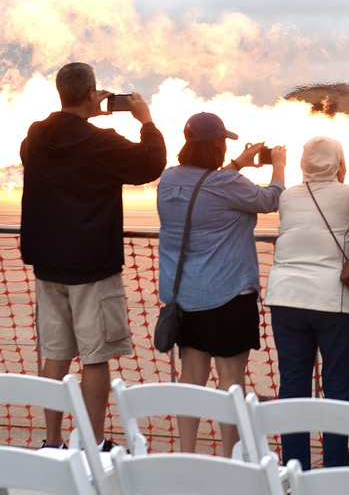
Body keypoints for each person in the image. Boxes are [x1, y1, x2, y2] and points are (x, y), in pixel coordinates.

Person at [19, 62, 167, 451]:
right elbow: (150, 163)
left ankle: (51, 443)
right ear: (92, 94)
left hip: (47, 262)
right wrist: (146, 120)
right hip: (92, 264)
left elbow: (51, 148)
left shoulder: (34, 136)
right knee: (95, 357)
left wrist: (85, 114)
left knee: (54, 355)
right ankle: (92, 442)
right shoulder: (102, 142)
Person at [156, 112, 285, 457]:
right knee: (231, 381)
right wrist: (279, 166)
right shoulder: (227, 184)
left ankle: (187, 453)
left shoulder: (167, 180)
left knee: (192, 379)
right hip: (229, 296)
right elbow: (271, 199)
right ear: (216, 144)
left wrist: (238, 163)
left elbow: (206, 187)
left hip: (185, 296)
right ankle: (231, 458)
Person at [263, 136, 349, 468]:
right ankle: (335, 468)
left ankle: (295, 467)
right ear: (339, 163)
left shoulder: (287, 196)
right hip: (335, 302)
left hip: (286, 297)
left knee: (293, 386)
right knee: (338, 388)